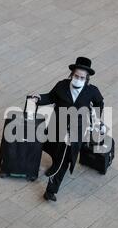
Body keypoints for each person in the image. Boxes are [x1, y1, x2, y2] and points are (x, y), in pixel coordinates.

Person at [31, 57, 105, 201]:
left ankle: (51, 190)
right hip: (57, 127)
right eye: (76, 76)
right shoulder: (62, 86)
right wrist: (38, 98)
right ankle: (55, 163)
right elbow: (51, 97)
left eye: (82, 77)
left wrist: (96, 118)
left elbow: (99, 102)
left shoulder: (92, 91)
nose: (78, 79)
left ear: (86, 79)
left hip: (74, 133)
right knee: (52, 148)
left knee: (64, 161)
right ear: (71, 75)